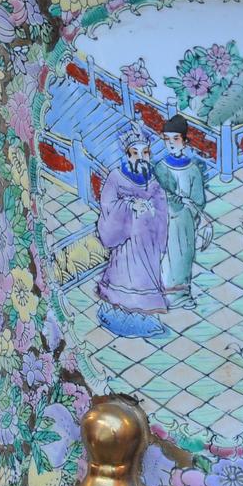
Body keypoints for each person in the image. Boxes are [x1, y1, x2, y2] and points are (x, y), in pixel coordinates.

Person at [94, 125, 170, 337]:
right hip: (125, 243)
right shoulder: (116, 178)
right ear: (127, 155)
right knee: (122, 278)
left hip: (147, 244)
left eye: (145, 153)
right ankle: (116, 314)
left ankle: (145, 318)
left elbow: (162, 208)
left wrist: (153, 211)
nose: (141, 157)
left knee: (146, 280)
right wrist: (129, 206)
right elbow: (108, 206)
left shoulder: (153, 181)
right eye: (135, 153)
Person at [153, 113, 209, 304]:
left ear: (184, 141)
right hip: (166, 218)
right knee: (166, 257)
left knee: (184, 256)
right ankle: (165, 294)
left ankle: (183, 295)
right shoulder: (160, 168)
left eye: (175, 138)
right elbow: (158, 194)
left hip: (186, 221)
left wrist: (190, 211)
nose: (171, 143)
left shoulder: (192, 169)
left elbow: (198, 199)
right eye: (167, 139)